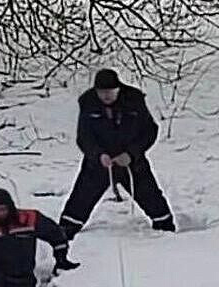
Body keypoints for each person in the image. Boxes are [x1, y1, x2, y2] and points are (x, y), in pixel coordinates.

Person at [58, 68, 176, 240]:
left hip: (131, 161)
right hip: (99, 162)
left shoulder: (134, 100)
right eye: (102, 92)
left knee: (150, 195)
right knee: (82, 197)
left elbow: (150, 131)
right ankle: (66, 231)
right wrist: (98, 155)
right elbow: (84, 138)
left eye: (110, 92)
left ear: (118, 89)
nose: (106, 96)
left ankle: (165, 227)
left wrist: (131, 154)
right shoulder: (88, 102)